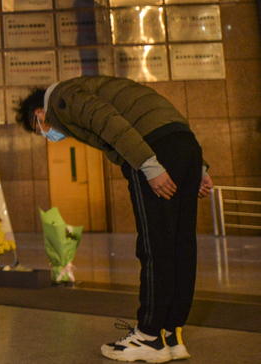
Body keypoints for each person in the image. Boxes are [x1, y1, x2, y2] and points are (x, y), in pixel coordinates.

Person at [16, 76, 212, 363]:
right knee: (181, 245)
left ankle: (149, 336)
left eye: (40, 129)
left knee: (155, 245)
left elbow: (107, 120)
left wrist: (148, 165)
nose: (47, 134)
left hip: (151, 150)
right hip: (184, 145)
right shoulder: (98, 87)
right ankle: (171, 334)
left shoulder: (62, 97)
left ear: (39, 114)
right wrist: (199, 168)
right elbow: (167, 118)